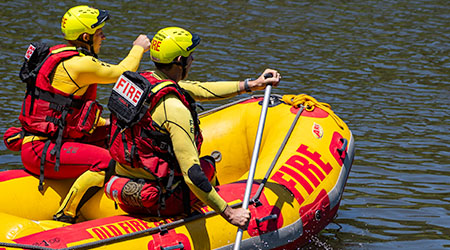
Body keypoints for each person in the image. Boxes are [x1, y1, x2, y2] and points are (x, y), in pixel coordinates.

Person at [104, 26, 281, 229]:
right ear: (180, 60)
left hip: (124, 189)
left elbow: (199, 89)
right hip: (160, 200)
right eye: (190, 55)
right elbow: (192, 174)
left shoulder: (140, 84)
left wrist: (251, 84)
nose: (193, 60)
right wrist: (231, 214)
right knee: (207, 165)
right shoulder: (175, 109)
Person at [9, 5, 150, 223]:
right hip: (42, 151)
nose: (103, 36)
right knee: (106, 161)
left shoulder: (57, 53)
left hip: (45, 144)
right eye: (99, 32)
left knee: (116, 135)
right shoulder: (81, 64)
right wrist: (138, 47)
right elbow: (122, 72)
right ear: (86, 36)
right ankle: (66, 214)